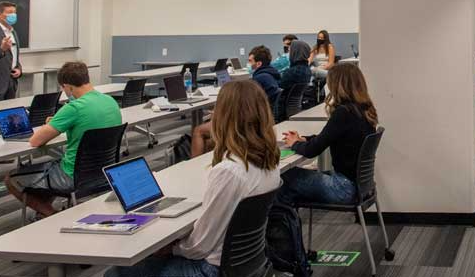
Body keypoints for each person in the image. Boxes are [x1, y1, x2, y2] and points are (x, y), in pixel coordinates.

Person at [107, 80, 281, 277]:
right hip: (245, 263)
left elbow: (199, 246)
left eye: (216, 109)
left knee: (116, 272)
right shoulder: (270, 161)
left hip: (210, 269)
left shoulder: (230, 171)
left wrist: (172, 249)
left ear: (225, 117)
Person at [4, 62, 121, 217]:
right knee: (51, 166)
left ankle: (51, 215)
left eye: (63, 88)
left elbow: (35, 141)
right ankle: (44, 211)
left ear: (68, 87)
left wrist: (54, 123)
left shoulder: (73, 108)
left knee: (10, 179)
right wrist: (58, 122)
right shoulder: (110, 101)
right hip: (104, 171)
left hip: (72, 176)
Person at [280, 63, 377, 205]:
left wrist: (295, 144)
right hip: (361, 186)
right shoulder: (364, 110)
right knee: (295, 179)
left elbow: (312, 151)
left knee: (283, 176)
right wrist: (304, 139)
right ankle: (287, 216)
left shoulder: (343, 113)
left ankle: (283, 217)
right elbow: (328, 137)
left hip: (343, 188)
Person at [0, 1, 22, 100]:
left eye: (14, 12)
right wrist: (2, 49)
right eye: (9, 12)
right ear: (0, 15)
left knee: (10, 108)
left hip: (12, 82)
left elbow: (15, 56)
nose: (13, 15)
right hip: (1, 81)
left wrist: (19, 69)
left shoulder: (13, 32)